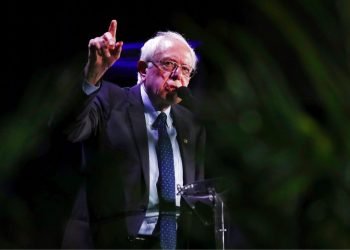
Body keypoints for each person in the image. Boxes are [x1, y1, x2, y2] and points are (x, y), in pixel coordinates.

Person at [60, 19, 207, 249]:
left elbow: (195, 193)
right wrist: (91, 76)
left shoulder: (191, 125)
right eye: (168, 64)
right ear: (142, 69)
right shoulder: (110, 100)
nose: (178, 75)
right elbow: (70, 129)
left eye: (186, 70)